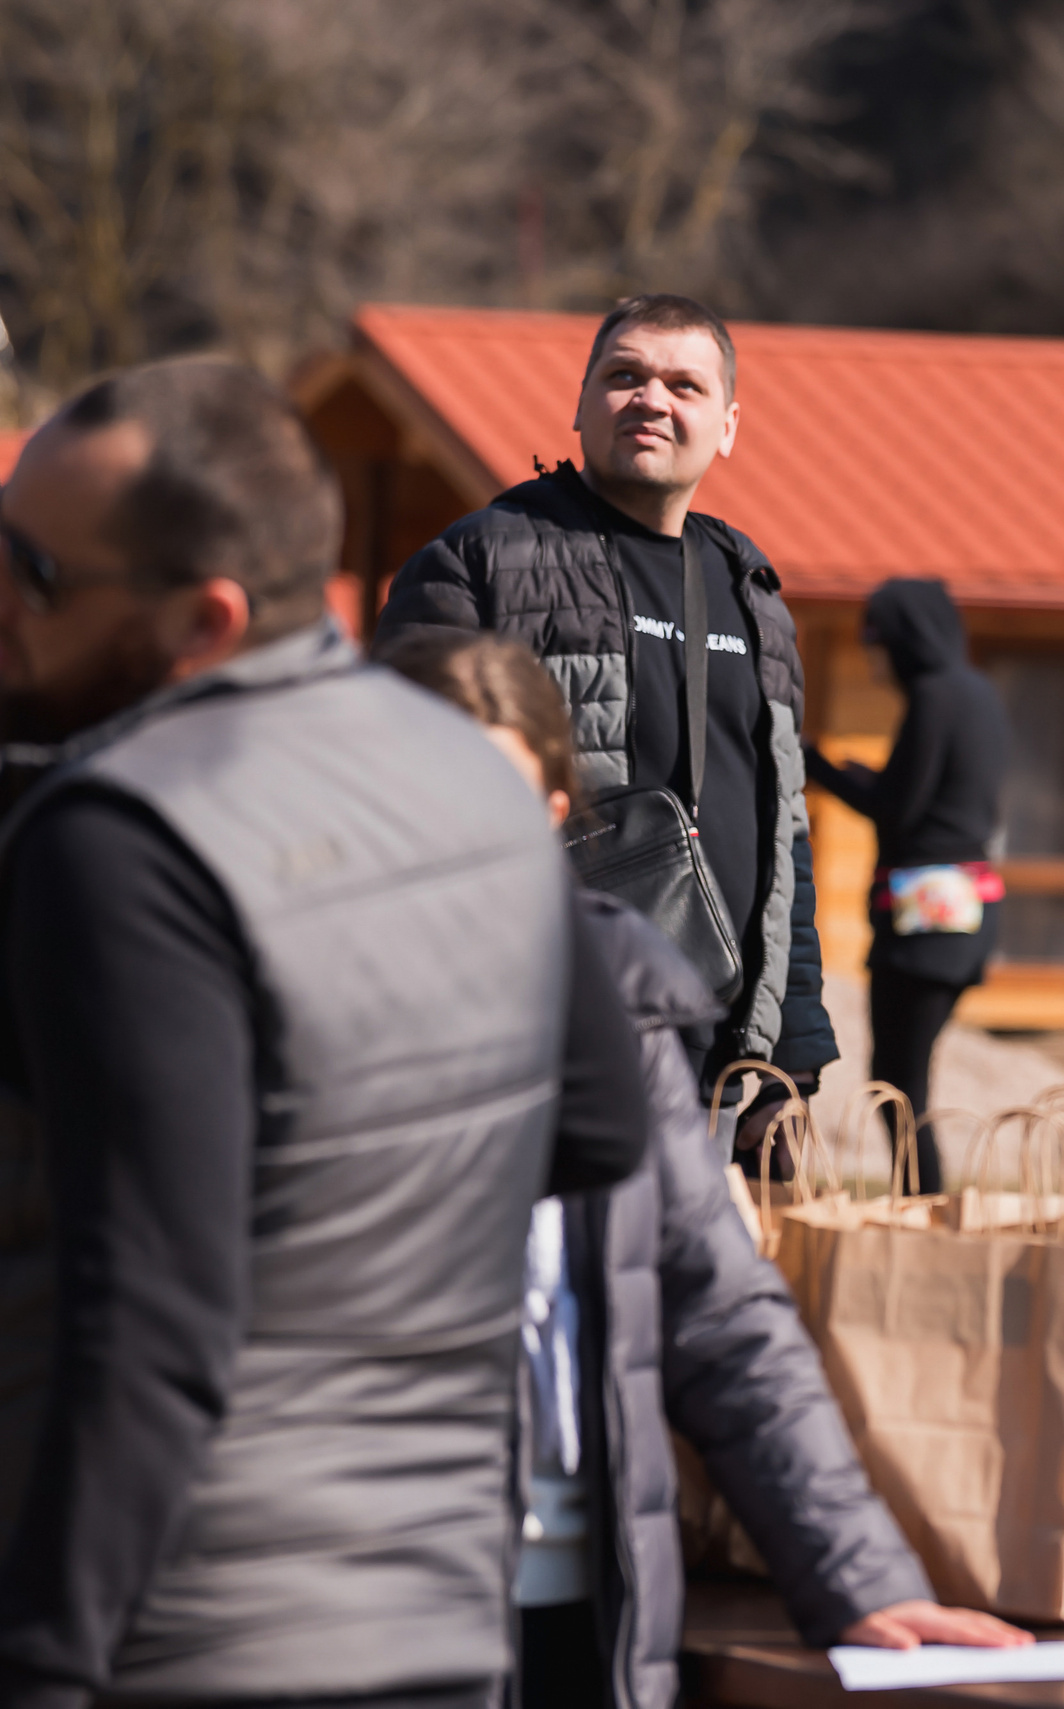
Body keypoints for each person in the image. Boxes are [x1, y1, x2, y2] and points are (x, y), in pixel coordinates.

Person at [0, 360, 654, 1705]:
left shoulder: (121, 837)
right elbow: (601, 1124)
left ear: (206, 618)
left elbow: (151, 1319)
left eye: (36, 573)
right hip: (433, 1616)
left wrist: (44, 1659)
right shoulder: (468, 777)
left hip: (172, 1628)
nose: (3, 599)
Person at [380, 630, 1024, 1709]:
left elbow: (718, 1310)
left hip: (584, 1604)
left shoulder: (617, 1002)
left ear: (553, 816)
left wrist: (858, 1575)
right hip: (370, 1613)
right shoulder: (293, 1006)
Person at [375, 292, 835, 1163]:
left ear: (728, 427)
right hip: (543, 1048)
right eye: (625, 376)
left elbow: (785, 841)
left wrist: (792, 1056)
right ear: (581, 404)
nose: (651, 399)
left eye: (684, 385)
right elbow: (397, 803)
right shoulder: (479, 560)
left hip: (718, 1070)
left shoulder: (752, 593)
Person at [802, 578, 1008, 1194]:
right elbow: (936, 799)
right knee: (905, 1078)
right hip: (969, 910)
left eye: (877, 645)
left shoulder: (933, 696)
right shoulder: (977, 693)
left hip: (924, 923)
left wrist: (812, 762)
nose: (873, 661)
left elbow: (897, 810)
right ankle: (922, 1205)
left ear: (905, 641)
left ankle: (926, 1208)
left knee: (898, 1082)